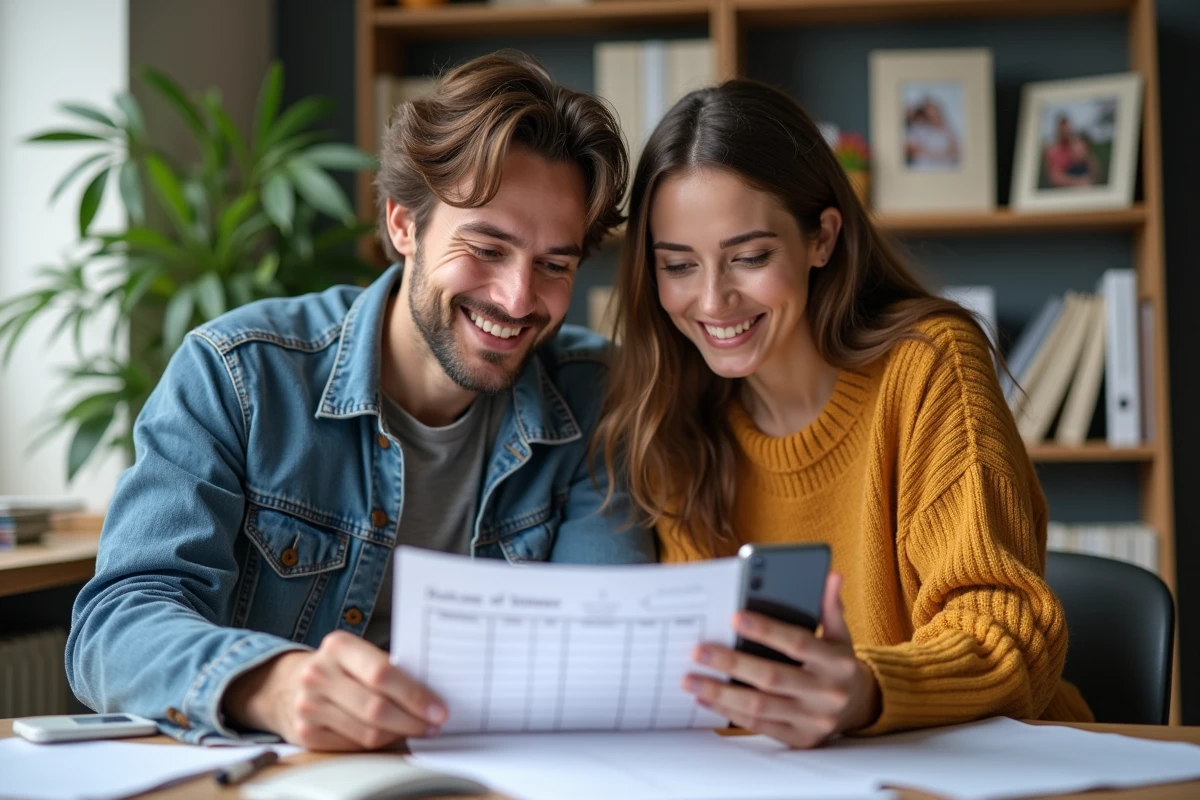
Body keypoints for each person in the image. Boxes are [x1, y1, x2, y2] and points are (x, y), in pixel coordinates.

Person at [67, 51, 653, 751]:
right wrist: (271, 685)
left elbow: (603, 644)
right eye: (487, 248)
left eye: (554, 265)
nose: (519, 298)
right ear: (403, 225)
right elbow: (116, 626)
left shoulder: (596, 397)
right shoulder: (238, 376)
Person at [592, 79, 1093, 748]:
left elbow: (1008, 629)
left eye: (749, 257)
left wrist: (867, 690)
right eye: (678, 265)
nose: (712, 300)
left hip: (991, 766)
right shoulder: (674, 417)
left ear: (822, 238)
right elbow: (712, 690)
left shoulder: (928, 365)